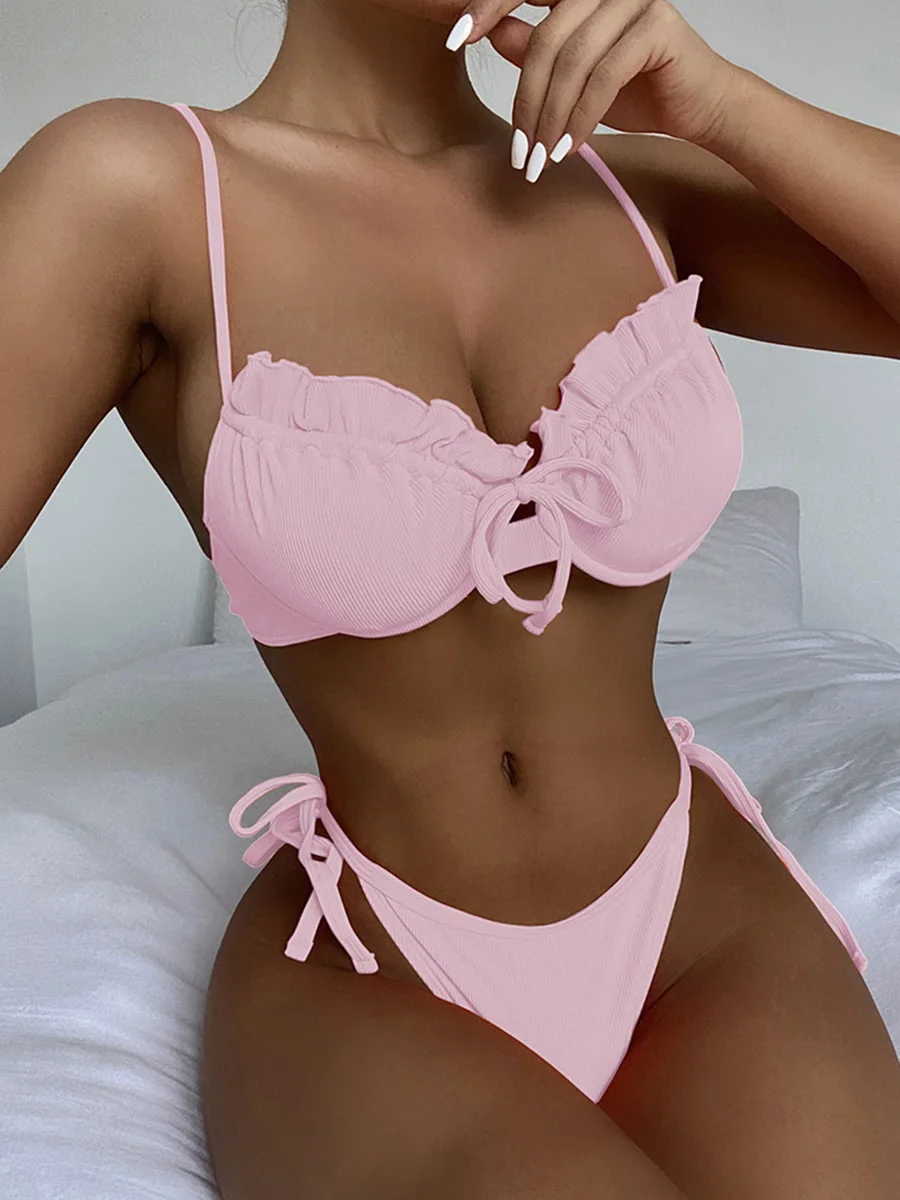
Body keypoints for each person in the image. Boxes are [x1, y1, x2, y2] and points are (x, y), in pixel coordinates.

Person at [4, 1, 900, 1196]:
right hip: (375, 961)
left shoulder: (627, 185)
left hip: (697, 917)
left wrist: (722, 103)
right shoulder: (138, 187)